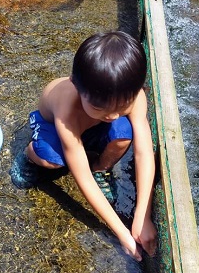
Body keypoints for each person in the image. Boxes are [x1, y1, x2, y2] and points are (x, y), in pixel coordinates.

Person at [10, 31, 157, 261]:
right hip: (55, 127)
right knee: (53, 160)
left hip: (89, 125)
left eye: (123, 106)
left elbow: (144, 152)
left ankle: (101, 167)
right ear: (76, 86)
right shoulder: (67, 108)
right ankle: (30, 154)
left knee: (124, 133)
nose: (114, 115)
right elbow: (82, 177)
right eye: (101, 108)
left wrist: (143, 216)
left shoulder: (132, 97)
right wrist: (122, 232)